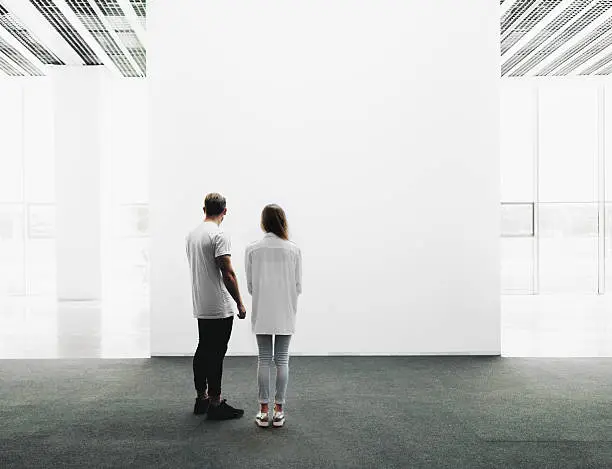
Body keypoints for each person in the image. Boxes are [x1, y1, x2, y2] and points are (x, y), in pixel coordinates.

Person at [186, 192, 247, 420]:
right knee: (216, 354)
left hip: (201, 302)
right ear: (224, 211)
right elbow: (227, 272)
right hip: (219, 306)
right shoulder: (219, 235)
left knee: (203, 350)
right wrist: (239, 302)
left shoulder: (192, 235)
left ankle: (201, 399)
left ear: (204, 209)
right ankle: (215, 403)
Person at [245, 204, 302, 428]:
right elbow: (298, 285)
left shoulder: (252, 249)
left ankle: (263, 410)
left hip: (262, 311)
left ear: (263, 222)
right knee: (282, 360)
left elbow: (250, 285)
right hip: (286, 310)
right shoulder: (293, 249)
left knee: (264, 360)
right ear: (282, 221)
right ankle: (279, 411)